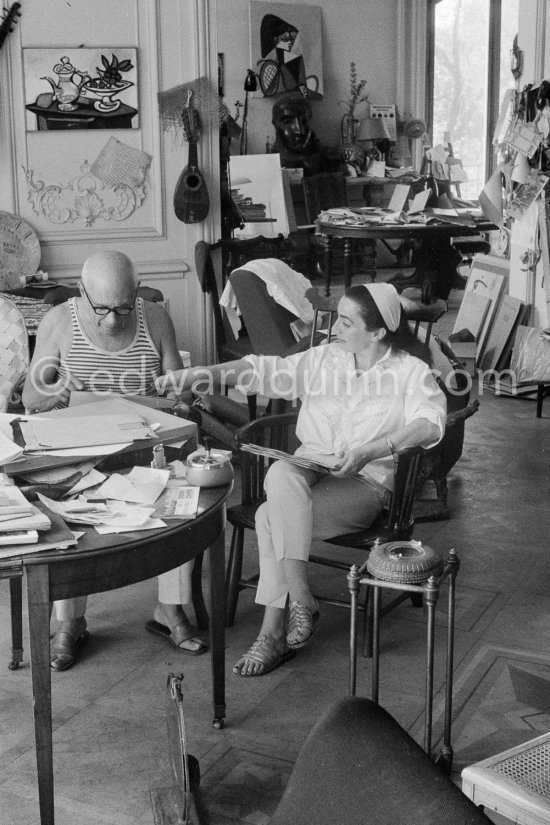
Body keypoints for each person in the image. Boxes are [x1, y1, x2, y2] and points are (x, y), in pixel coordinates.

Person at [156, 283, 447, 677]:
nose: (334, 329)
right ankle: (302, 596)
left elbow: (429, 424)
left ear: (377, 333)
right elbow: (261, 369)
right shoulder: (325, 358)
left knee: (268, 519)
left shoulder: (410, 372)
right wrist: (198, 375)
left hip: (365, 483)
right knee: (280, 472)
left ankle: (272, 633)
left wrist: (369, 450)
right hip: (309, 470)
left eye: (345, 322)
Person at [22, 250, 208, 670]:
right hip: (81, 451)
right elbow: (31, 399)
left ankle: (170, 608)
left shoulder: (155, 318)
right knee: (62, 508)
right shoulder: (59, 321)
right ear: (83, 293)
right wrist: (57, 392)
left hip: (142, 447)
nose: (112, 319)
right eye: (102, 308)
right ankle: (69, 621)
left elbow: (176, 391)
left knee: (183, 495)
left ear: (137, 294)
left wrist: (175, 393)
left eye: (123, 308)